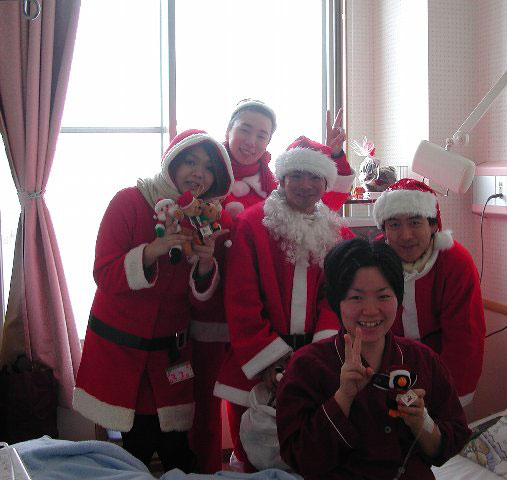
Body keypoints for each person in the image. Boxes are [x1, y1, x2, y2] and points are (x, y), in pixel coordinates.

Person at [73, 129, 234, 473]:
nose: (199, 173)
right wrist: (151, 251)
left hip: (171, 358)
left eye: (208, 168)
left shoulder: (204, 220)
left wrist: (207, 263)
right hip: (122, 353)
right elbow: (104, 273)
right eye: (190, 161)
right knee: (134, 452)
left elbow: (200, 304)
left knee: (179, 452)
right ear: (172, 163)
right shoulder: (130, 201)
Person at [276, 238, 471, 479]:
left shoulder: (422, 360)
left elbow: (449, 444)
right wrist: (343, 397)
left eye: (383, 296)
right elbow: (300, 458)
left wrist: (422, 422)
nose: (370, 310)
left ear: (398, 298)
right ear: (336, 302)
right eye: (356, 298)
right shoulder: (307, 366)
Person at [213, 144, 355, 471]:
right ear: (282, 178)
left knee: (311, 452)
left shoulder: (338, 232)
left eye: (315, 177)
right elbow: (241, 299)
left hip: (315, 361)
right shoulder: (252, 223)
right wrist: (270, 360)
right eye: (297, 175)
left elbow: (337, 298)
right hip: (257, 364)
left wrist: (317, 355)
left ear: (326, 183)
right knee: (253, 456)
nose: (306, 185)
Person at [372, 179, 486, 407]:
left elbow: (464, 337)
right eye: (394, 225)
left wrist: (446, 396)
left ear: (434, 226)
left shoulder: (456, 262)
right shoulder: (372, 260)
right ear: (384, 230)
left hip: (441, 367)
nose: (405, 235)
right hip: (383, 368)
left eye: (415, 222)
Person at [221, 98, 355, 218]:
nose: (251, 142)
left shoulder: (272, 184)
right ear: (228, 132)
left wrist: (334, 155)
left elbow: (320, 205)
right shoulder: (210, 173)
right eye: (244, 130)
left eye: (261, 136)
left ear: (267, 142)